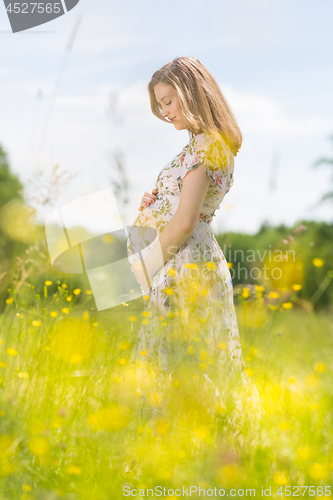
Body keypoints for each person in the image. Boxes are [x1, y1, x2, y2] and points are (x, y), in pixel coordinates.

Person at [127, 57, 264, 434]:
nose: (165, 112)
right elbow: (182, 207)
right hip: (179, 260)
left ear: (192, 93)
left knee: (177, 358)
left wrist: (143, 269)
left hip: (183, 262)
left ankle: (183, 451)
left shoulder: (208, 147)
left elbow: (187, 221)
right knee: (185, 355)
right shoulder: (199, 146)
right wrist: (155, 203)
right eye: (160, 105)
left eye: (169, 101)